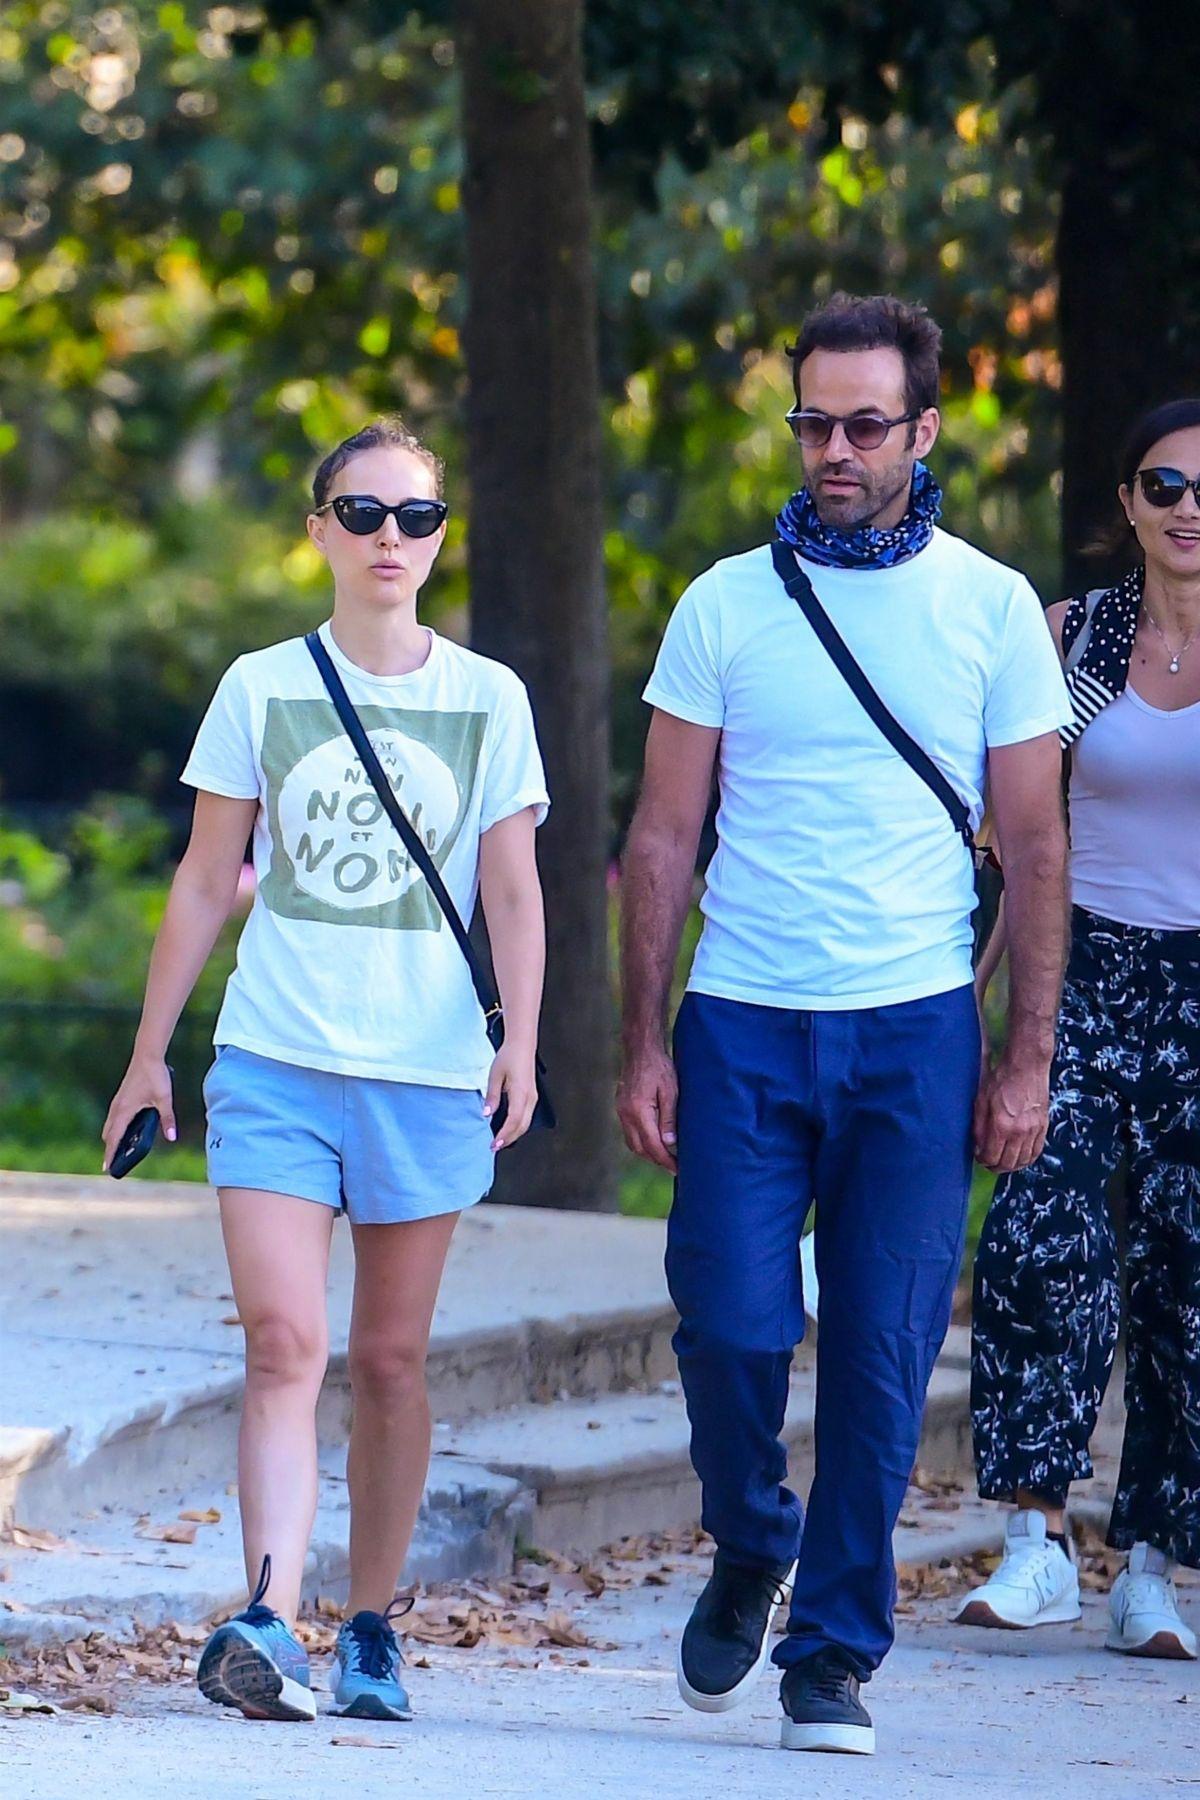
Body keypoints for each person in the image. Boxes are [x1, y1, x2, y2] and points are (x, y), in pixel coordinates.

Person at [617, 292, 1073, 1757]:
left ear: (923, 430)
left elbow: (1036, 846)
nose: (833, 447)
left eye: (864, 423)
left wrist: (1026, 1054)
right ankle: (752, 1537)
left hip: (915, 1028)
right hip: (742, 1019)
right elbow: (661, 837)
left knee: (880, 1356)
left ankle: (831, 1656)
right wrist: (640, 1039)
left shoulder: (990, 605)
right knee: (733, 1326)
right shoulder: (722, 604)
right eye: (812, 418)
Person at [103, 418, 549, 1722]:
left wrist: (522, 1038)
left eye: (415, 516)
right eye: (361, 514)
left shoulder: (489, 699)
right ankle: (265, 1617)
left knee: (392, 1359)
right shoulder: (260, 687)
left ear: (440, 535)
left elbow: (515, 892)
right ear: (318, 533)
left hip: (424, 1071)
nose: (389, 539)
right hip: (276, 1058)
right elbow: (201, 881)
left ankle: (368, 1628)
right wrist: (148, 1057)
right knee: (287, 1342)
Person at [957, 398, 1200, 1660]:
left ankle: (1150, 1565)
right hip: (1085, 969)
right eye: (1164, 485)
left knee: (1187, 1280)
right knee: (1043, 1240)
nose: (1188, 508)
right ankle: (1035, 1539)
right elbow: (1020, 832)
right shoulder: (1073, 637)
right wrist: (982, 1002)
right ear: (1128, 505)